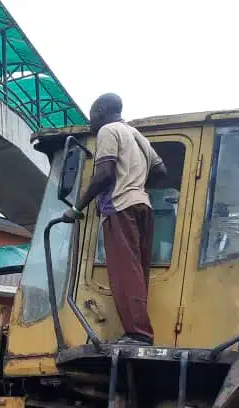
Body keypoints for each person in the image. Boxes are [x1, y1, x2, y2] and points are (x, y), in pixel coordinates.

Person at [64, 93, 167, 345]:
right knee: (138, 272)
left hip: (120, 208)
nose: (91, 123)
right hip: (143, 206)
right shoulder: (137, 136)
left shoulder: (108, 131)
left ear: (100, 112)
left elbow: (104, 175)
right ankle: (139, 330)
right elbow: (161, 170)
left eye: (91, 116)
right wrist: (136, 186)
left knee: (124, 272)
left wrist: (76, 208)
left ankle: (138, 333)